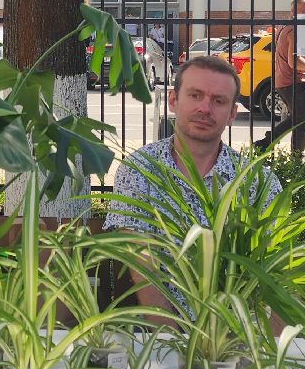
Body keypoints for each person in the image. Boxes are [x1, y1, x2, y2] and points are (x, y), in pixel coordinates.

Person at [103, 54, 282, 320]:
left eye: (218, 101)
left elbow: (274, 273)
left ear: (232, 113)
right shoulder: (140, 170)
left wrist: (268, 353)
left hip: (236, 336)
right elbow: (142, 260)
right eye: (195, 96)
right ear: (174, 101)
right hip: (162, 331)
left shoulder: (257, 181)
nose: (205, 109)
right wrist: (168, 340)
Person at [255, 0, 305, 156]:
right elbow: (294, 61)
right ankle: (289, 152)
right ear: (294, 12)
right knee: (303, 120)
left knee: (297, 118)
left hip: (285, 81)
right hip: (292, 82)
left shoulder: (285, 28)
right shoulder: (293, 30)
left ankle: (280, 148)